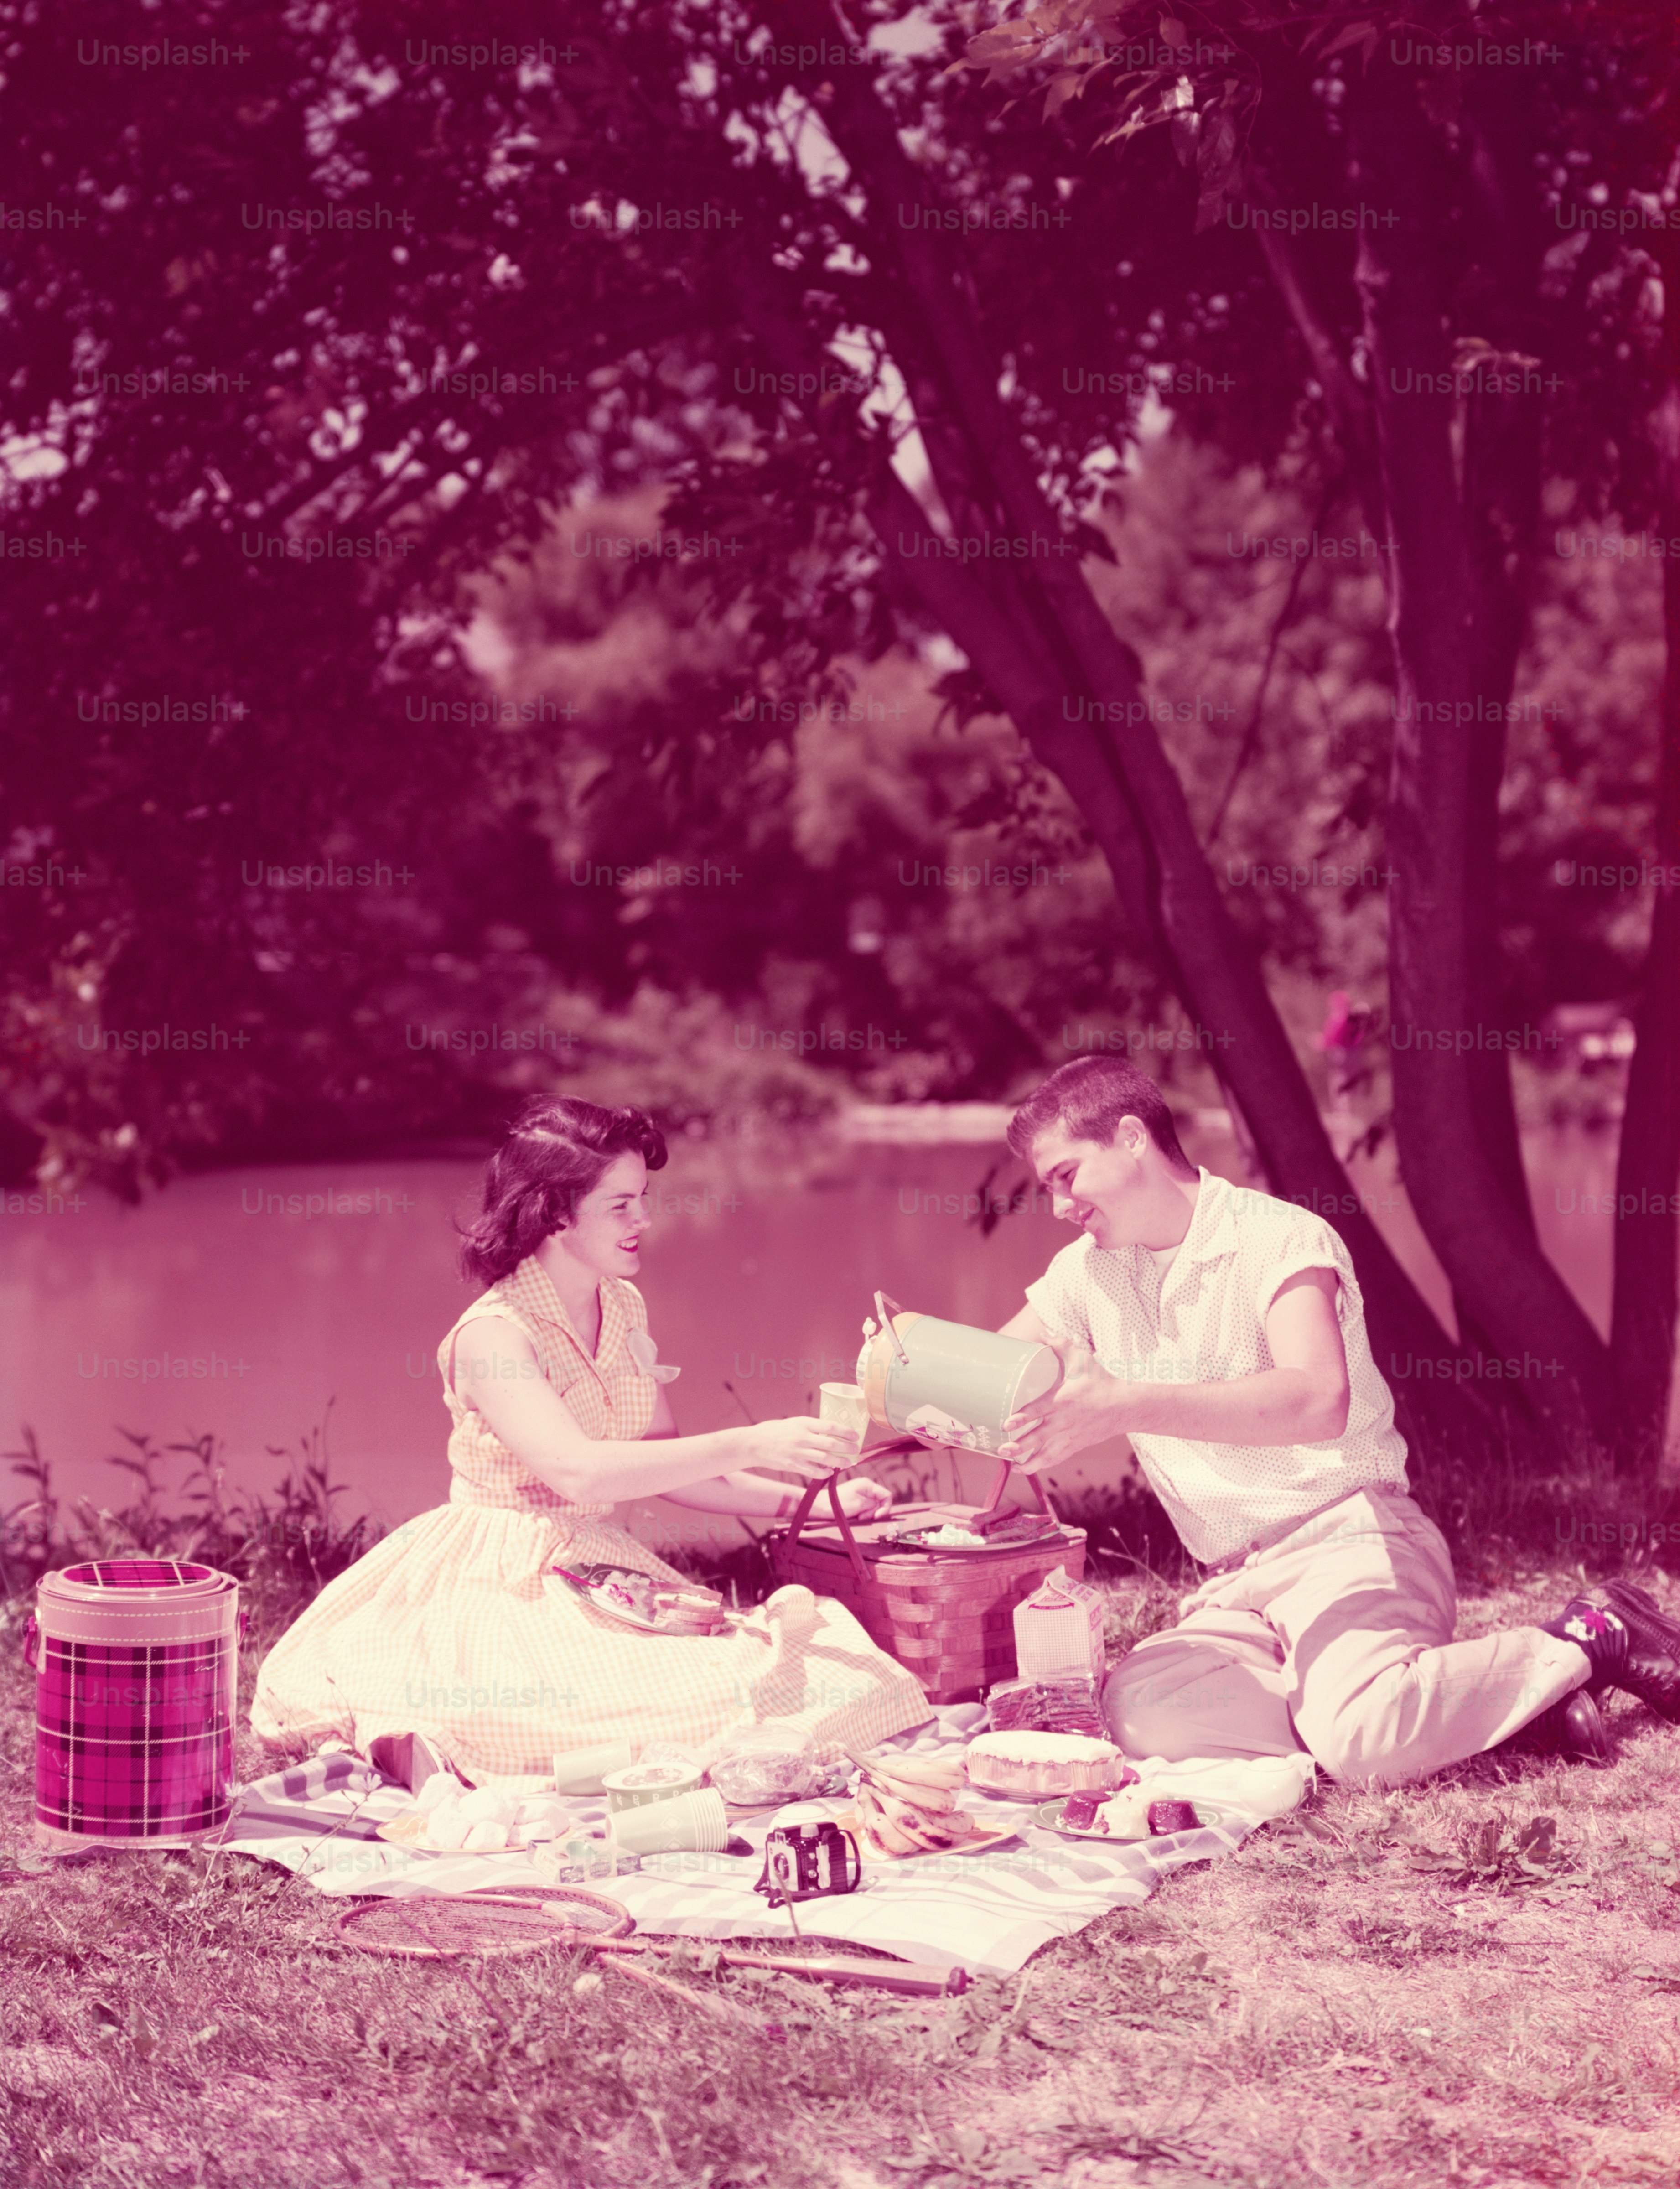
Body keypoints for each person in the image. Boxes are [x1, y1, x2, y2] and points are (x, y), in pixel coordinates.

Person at [991, 1055, 1680, 1786]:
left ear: (1132, 1138)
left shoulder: (1280, 1237)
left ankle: (1591, 1631)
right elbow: (993, 1370)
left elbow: (1319, 1400)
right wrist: (883, 1384)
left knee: (1357, 1740)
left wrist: (1126, 1401)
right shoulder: (1089, 1271)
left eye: (1065, 1176)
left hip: (1352, 1540)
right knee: (1141, 1716)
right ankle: (1484, 1711)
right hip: (1239, 1588)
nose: (1059, 1206)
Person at [250, 1095, 931, 1782]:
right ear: (555, 1212)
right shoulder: (494, 1334)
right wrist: (751, 1441)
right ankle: (429, 1737)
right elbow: (577, 1473)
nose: (645, 1220)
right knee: (606, 1716)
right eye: (621, 1205)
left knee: (825, 1675)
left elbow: (665, 1467)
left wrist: (811, 1501)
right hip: (498, 1576)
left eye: (644, 1199)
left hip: (596, 1565)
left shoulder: (624, 1305)